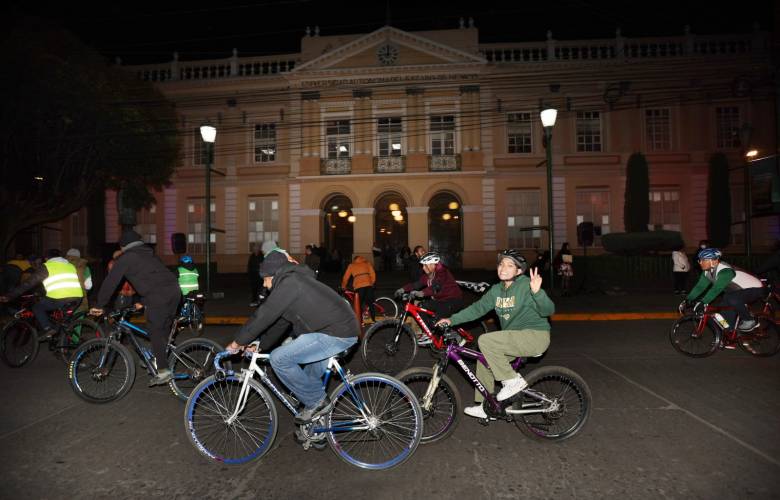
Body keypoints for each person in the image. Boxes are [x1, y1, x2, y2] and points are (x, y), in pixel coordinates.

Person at [225, 249, 359, 423]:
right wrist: (260, 344)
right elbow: (281, 322)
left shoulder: (290, 283)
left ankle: (317, 402)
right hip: (336, 330)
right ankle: (316, 431)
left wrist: (237, 342)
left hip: (336, 333)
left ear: (273, 275)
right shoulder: (294, 281)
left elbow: (264, 315)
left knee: (279, 359)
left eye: (265, 280)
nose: (265, 285)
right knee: (309, 381)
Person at [436, 249, 554, 419]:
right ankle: (488, 406)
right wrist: (451, 320)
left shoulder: (526, 286)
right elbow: (477, 309)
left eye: (509, 265)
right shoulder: (496, 291)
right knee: (484, 359)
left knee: (486, 340)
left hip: (535, 336)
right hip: (513, 338)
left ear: (519, 271)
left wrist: (537, 293)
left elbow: (548, 310)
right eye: (501, 264)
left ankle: (512, 382)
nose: (503, 268)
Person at [90, 230, 181, 386]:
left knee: (155, 330)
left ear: (123, 245)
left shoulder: (128, 257)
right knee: (162, 328)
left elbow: (111, 281)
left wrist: (100, 305)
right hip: (174, 292)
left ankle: (164, 370)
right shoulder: (149, 254)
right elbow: (153, 277)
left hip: (158, 296)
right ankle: (156, 356)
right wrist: (144, 301)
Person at [0, 249, 84, 339]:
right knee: (64, 323)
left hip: (60, 298)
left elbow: (29, 283)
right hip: (77, 297)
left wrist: (10, 296)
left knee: (37, 307)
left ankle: (47, 328)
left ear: (47, 258)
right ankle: (64, 348)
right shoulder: (70, 266)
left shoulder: (47, 266)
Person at [685, 247, 765, 334]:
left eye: (703, 260)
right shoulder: (707, 272)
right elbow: (699, 287)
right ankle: (730, 332)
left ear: (714, 261)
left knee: (733, 299)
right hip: (735, 292)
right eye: (699, 260)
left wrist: (703, 302)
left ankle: (750, 320)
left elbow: (716, 289)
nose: (700, 263)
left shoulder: (725, 271)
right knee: (722, 315)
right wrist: (688, 299)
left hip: (755, 288)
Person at [396, 251, 463, 336]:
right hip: (441, 301)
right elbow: (417, 284)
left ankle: (453, 336)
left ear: (432, 264)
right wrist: (402, 289)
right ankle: (430, 333)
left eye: (425, 265)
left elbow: (435, 288)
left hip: (453, 301)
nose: (423, 268)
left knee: (435, 321)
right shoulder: (429, 275)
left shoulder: (442, 273)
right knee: (421, 307)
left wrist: (422, 293)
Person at [341, 255, 377, 322]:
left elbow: (345, 277)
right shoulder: (367, 263)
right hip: (368, 285)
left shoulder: (351, 265)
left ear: (354, 260)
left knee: (358, 304)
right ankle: (374, 319)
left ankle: (361, 321)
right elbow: (373, 274)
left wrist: (343, 286)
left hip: (359, 286)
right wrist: (371, 282)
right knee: (370, 303)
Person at [65, 248, 93, 315]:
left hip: (64, 298)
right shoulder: (85, 268)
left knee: (65, 320)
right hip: (79, 299)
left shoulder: (62, 266)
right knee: (78, 319)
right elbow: (89, 286)